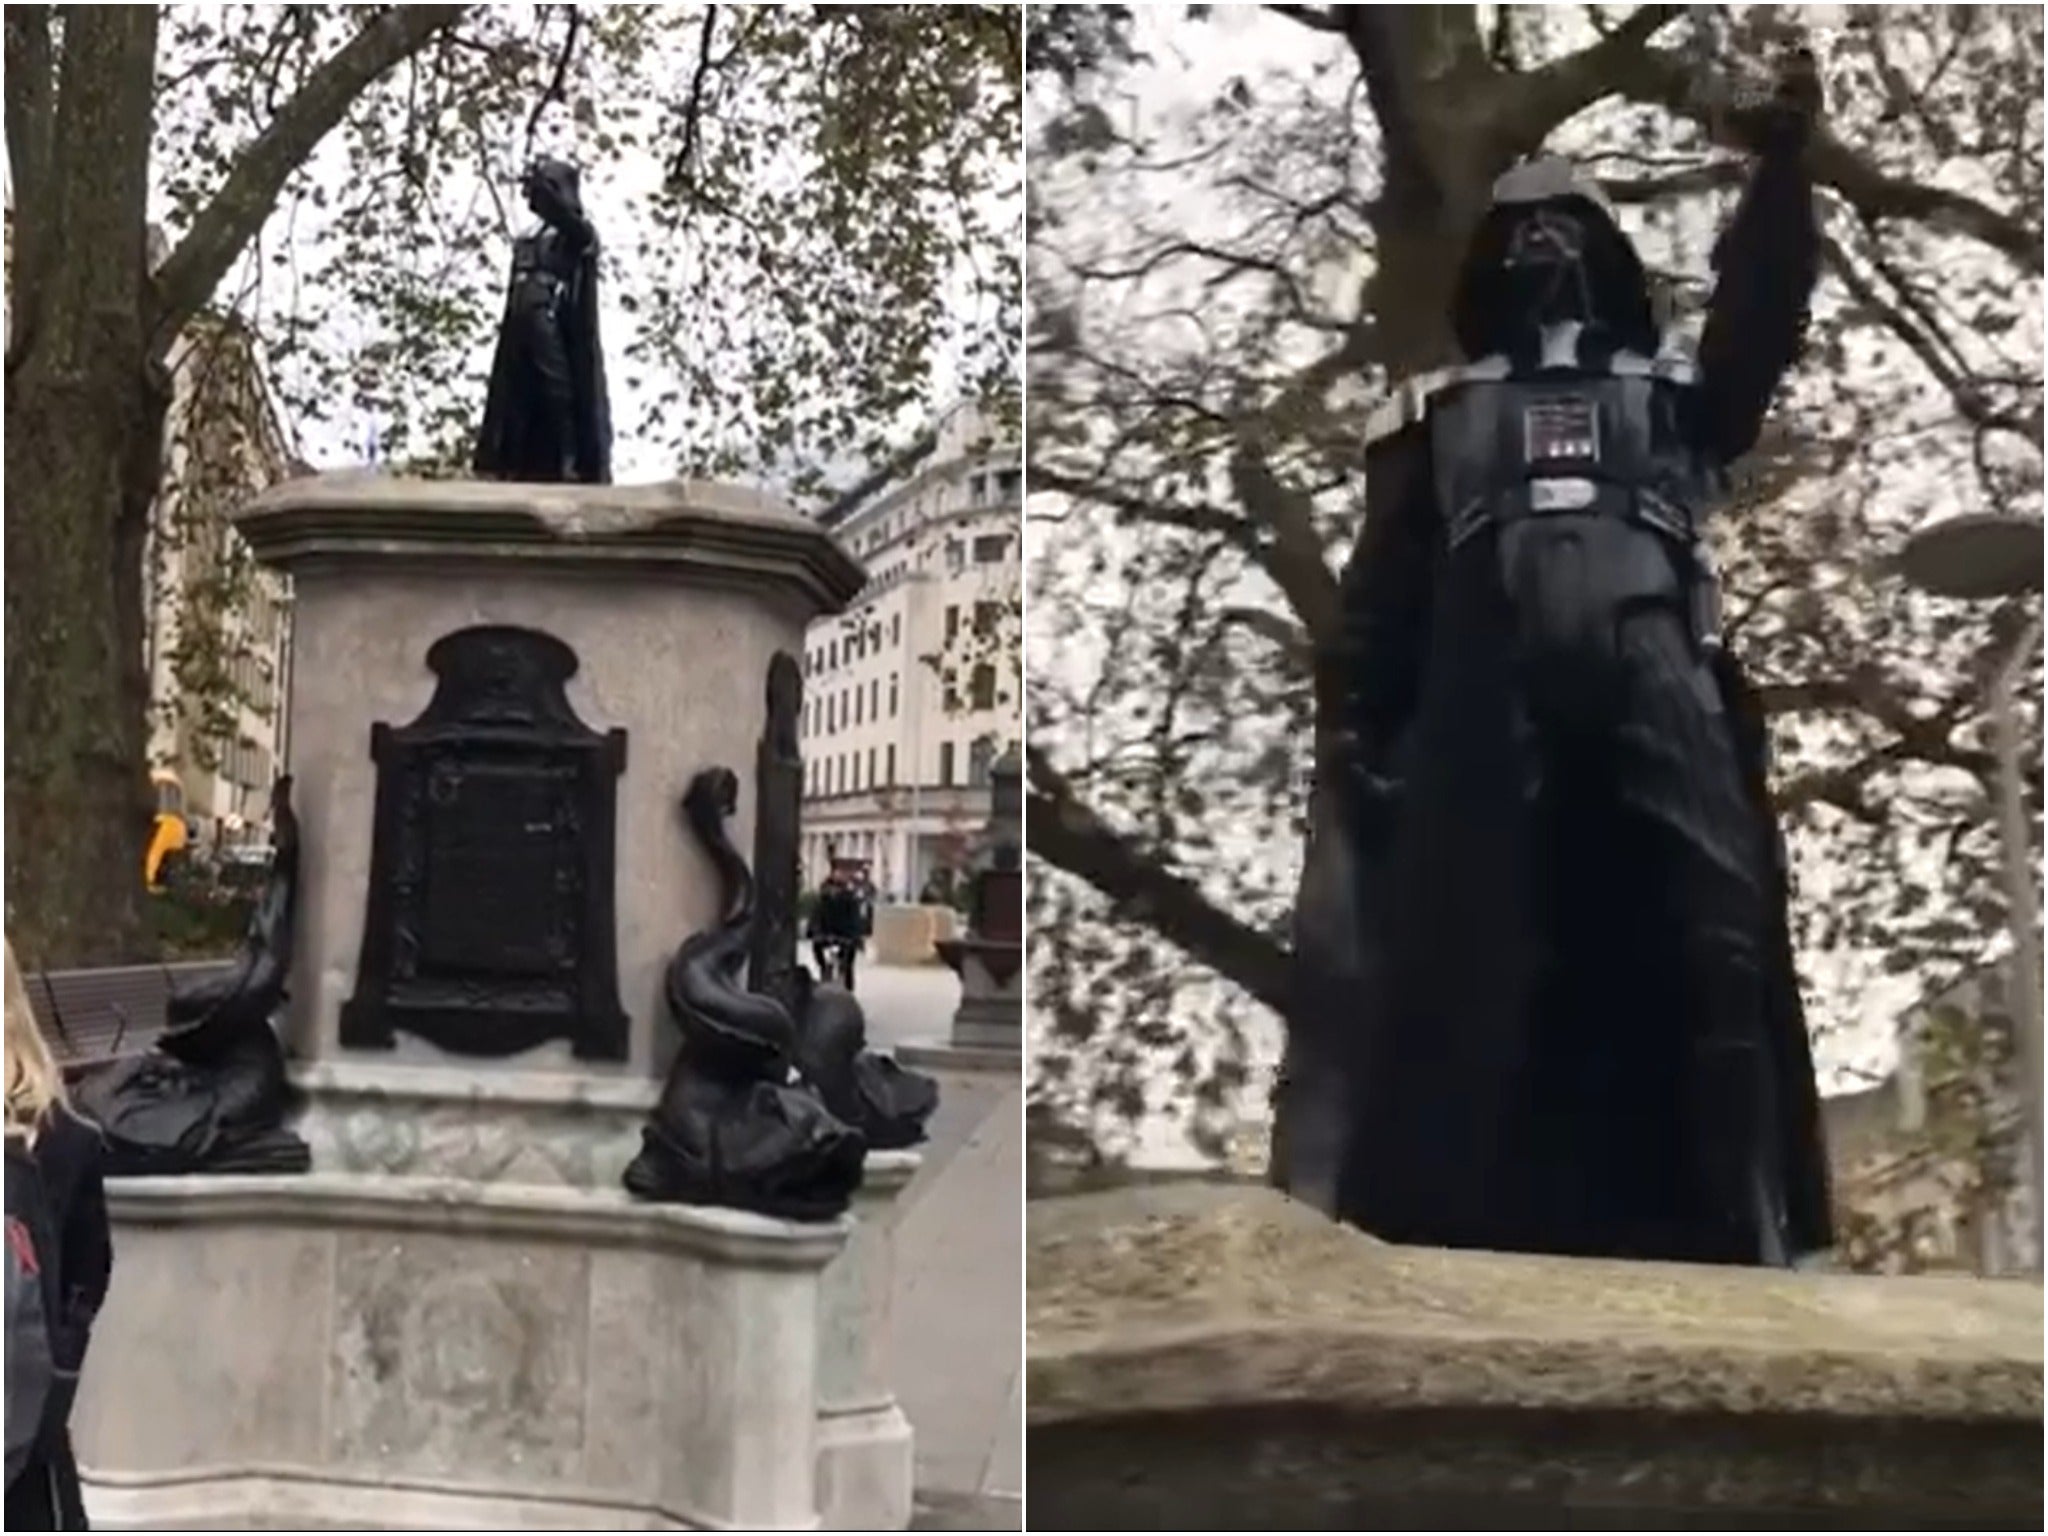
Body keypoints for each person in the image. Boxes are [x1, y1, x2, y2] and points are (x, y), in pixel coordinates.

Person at [1282, 48, 1831, 1268]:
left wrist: (1781, 174)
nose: (1542, 246)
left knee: (1712, 933)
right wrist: (1357, 737)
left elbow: (1758, 319)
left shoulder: (1677, 398)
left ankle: (1741, 1225)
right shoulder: (1430, 418)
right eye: (1520, 229)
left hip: (1655, 656)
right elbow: (1377, 606)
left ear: (1608, 255)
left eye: (1566, 226)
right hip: (1489, 687)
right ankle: (1456, 1233)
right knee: (1480, 954)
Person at [5, 939, 112, 1531]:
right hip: (27, 1439)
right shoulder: (68, 1138)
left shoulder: (66, 1142)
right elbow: (88, 1275)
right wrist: (57, 1370)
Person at [808, 869, 867, 991]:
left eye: (838, 886)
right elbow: (816, 917)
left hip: (844, 936)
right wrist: (815, 932)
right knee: (818, 950)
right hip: (827, 935)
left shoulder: (850, 899)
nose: (835, 890)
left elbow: (855, 919)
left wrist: (855, 936)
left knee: (847, 961)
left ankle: (846, 982)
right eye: (833, 886)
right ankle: (825, 969)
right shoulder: (823, 899)